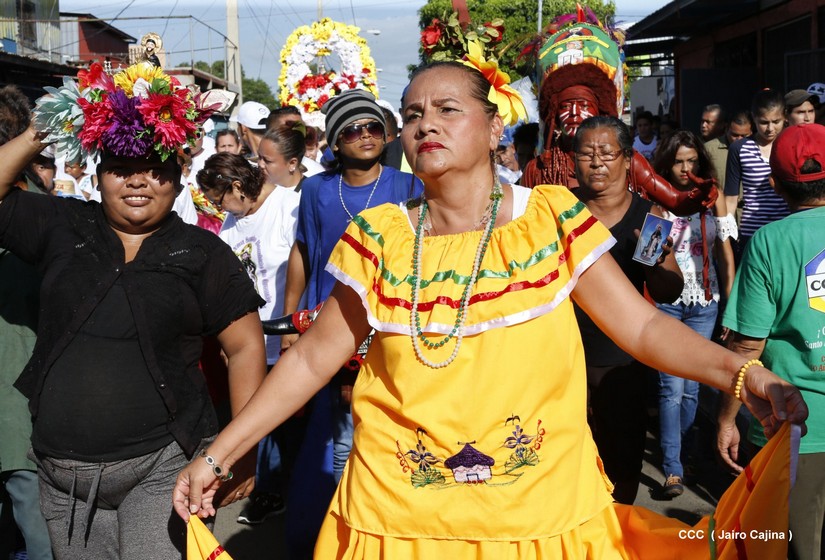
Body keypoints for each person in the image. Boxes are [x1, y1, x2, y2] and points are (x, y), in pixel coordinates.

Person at [174, 59, 806, 560]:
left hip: (536, 515)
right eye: (413, 114)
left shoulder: (548, 218)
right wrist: (219, 453)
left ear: (494, 126)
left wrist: (742, 374)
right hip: (400, 520)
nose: (426, 124)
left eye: (447, 109)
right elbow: (311, 360)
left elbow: (641, 326)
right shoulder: (380, 237)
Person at [2, 62, 267, 559]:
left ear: (178, 178)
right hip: (62, 479)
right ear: (99, 175)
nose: (138, 181)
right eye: (121, 168)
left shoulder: (203, 252)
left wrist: (241, 449)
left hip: (162, 469)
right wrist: (44, 129)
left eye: (155, 168)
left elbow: (245, 348)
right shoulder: (62, 224)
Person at [278, 88, 422, 556]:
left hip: (392, 324)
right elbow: (303, 252)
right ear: (336, 141)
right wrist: (291, 319)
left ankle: (386, 524)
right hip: (332, 325)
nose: (365, 135)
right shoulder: (317, 189)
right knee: (342, 431)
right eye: (353, 130)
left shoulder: (408, 185)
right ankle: (345, 533)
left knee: (388, 426)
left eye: (373, 127)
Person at [717, 123, 825, 560]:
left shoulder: (769, 242)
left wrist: (727, 419)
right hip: (797, 428)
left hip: (795, 429)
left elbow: (747, 348)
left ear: (775, 184)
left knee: (794, 547)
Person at [572, 115, 684, 504]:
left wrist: (655, 263)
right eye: (586, 153)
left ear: (627, 159)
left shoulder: (649, 216)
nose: (596, 162)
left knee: (621, 465)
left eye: (606, 153)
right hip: (567, 356)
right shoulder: (560, 212)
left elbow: (669, 291)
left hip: (624, 362)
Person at [197, 132, 302, 525]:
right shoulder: (232, 221)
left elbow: (303, 268)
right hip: (252, 344)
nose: (217, 207)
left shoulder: (288, 206)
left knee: (290, 428)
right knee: (260, 423)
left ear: (238, 186)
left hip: (287, 337)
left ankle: (290, 497)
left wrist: (293, 328)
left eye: (218, 198)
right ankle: (268, 493)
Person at [521, 20, 716, 216]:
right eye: (565, 106)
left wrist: (699, 197)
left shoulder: (626, 159)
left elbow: (675, 201)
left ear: (599, 112)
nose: (574, 112)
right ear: (554, 115)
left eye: (584, 105)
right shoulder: (538, 169)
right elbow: (522, 222)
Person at [652, 130, 736, 497]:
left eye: (692, 161)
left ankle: (684, 458)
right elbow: (646, 257)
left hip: (705, 302)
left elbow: (724, 253)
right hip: (667, 304)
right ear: (667, 165)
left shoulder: (712, 197)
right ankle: (672, 468)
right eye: (678, 162)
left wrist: (731, 305)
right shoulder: (656, 200)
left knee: (691, 390)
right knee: (671, 388)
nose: (686, 169)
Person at [0, 84, 53, 560]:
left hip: (19, 411)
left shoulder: (36, 208)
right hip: (23, 409)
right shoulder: (42, 201)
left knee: (39, 536)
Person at [725, 89, 789, 252]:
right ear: (754, 118)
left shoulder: (792, 145)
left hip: (787, 230)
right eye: (764, 122)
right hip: (752, 233)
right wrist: (727, 236)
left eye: (776, 121)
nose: (770, 128)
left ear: (785, 117)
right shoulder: (739, 148)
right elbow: (730, 199)